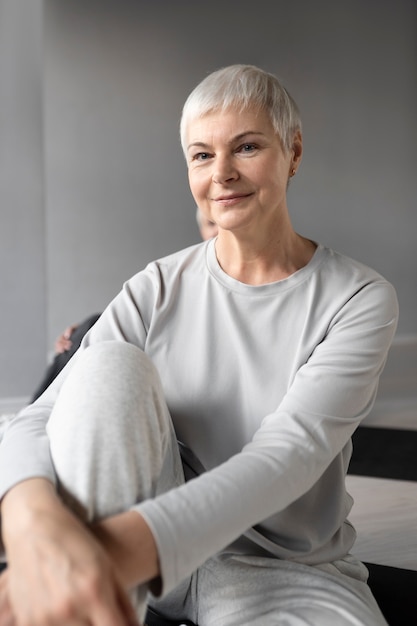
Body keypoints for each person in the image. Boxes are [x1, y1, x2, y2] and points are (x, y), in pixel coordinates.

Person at [0, 64, 398, 626]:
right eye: (202, 155)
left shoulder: (359, 298)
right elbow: (38, 419)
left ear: (294, 151)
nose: (223, 173)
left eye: (247, 147)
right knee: (109, 365)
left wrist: (91, 558)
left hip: (279, 571)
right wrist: (33, 529)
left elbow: (286, 457)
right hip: (141, 564)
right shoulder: (156, 285)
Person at [30, 208, 218, 404]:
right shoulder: (173, 274)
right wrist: (95, 331)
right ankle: (37, 407)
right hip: (147, 342)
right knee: (89, 328)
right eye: (211, 224)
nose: (217, 231)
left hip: (172, 352)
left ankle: (37, 409)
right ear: (201, 231)